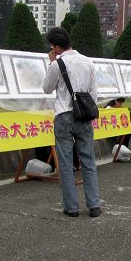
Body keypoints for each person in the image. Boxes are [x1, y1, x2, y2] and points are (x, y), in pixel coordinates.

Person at [42, 27, 101, 218]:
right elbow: (93, 93)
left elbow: (46, 88)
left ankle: (72, 208)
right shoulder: (88, 62)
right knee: (88, 161)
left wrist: (52, 62)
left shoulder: (57, 64)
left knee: (66, 164)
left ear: (56, 47)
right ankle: (94, 205)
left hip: (64, 115)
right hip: (84, 116)